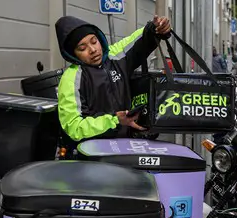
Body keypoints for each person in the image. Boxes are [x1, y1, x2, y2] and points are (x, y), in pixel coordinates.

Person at [55, 14, 171, 142]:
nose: (93, 50)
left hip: (129, 143)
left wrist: (155, 28)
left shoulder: (115, 55)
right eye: (82, 48)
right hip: (94, 153)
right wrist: (114, 121)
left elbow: (137, 39)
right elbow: (74, 127)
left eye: (94, 41)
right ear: (72, 54)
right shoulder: (70, 79)